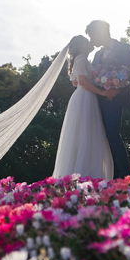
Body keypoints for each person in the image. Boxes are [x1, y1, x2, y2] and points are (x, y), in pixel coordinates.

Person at [53, 35, 113, 180]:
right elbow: (81, 81)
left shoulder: (80, 60)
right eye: (86, 42)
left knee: (84, 135)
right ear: (82, 46)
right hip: (85, 98)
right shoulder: (81, 59)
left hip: (84, 97)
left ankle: (84, 175)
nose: (90, 43)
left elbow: (75, 82)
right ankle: (84, 176)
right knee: (86, 135)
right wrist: (102, 92)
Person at [87, 20, 130, 177]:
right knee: (100, 136)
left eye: (92, 36)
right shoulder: (96, 55)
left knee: (112, 134)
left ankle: (123, 174)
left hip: (115, 100)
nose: (91, 40)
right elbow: (93, 76)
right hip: (97, 101)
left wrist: (117, 90)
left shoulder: (125, 48)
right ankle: (105, 173)